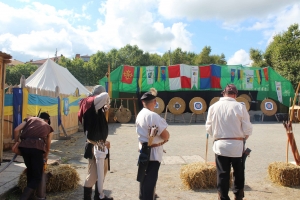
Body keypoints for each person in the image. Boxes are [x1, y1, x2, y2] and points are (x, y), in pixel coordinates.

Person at [205, 84, 252, 200]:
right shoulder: (240, 107)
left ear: (223, 93)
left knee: (222, 174)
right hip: (237, 146)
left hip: (220, 145)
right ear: (235, 95)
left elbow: (209, 128)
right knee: (239, 172)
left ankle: (223, 197)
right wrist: (243, 139)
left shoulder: (213, 107)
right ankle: (238, 196)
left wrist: (217, 137)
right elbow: (248, 129)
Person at [78, 85, 113, 200]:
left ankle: (99, 196)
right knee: (93, 174)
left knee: (101, 171)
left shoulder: (94, 106)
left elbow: (97, 114)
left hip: (100, 144)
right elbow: (105, 95)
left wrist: (105, 107)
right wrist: (106, 99)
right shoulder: (89, 102)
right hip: (95, 145)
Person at [136, 88, 170, 200]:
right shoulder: (153, 116)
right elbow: (165, 135)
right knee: (150, 180)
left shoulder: (140, 114)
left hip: (143, 149)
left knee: (144, 178)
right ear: (155, 102)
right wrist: (166, 138)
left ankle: (144, 197)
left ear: (143, 102)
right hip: (153, 152)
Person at [13, 112, 53, 200]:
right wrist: (45, 156)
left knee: (30, 172)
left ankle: (30, 197)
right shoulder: (48, 127)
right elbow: (48, 145)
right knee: (37, 177)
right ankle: (23, 198)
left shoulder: (30, 119)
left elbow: (16, 130)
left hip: (24, 147)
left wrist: (17, 142)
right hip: (37, 148)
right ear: (47, 120)